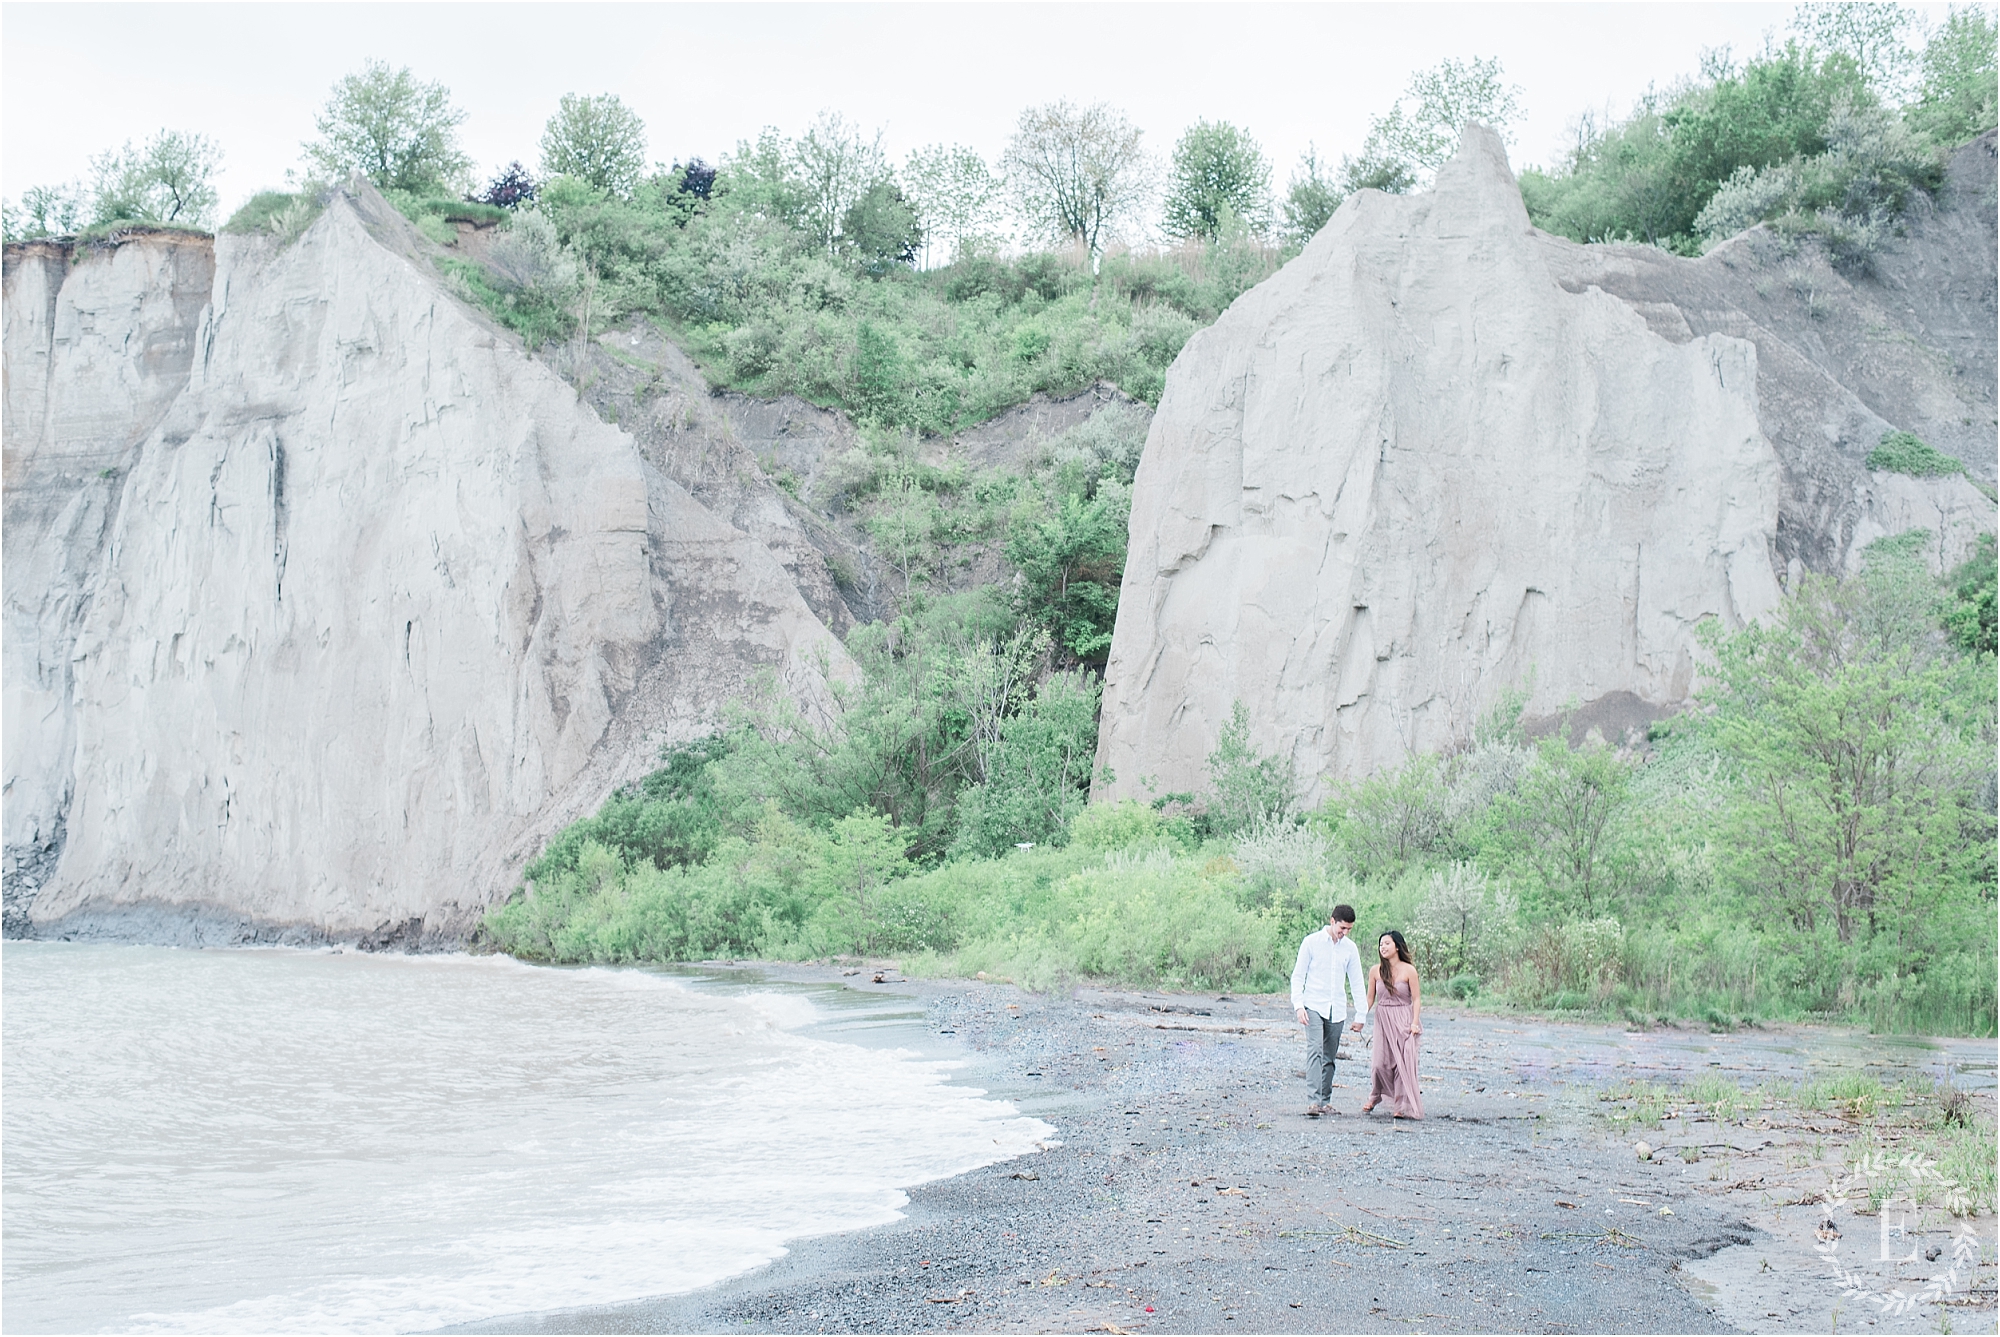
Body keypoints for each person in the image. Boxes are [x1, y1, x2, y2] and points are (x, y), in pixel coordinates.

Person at [1290, 904, 1368, 1116]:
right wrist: (1298, 1005)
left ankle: (1325, 1101)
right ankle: (1314, 1102)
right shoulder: (1311, 942)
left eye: (1349, 929)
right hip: (1313, 1004)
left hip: (1337, 1008)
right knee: (1315, 1050)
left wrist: (1361, 1014)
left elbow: (1357, 982)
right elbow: (1298, 975)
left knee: (1329, 1056)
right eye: (1342, 928)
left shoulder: (1350, 948)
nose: (1345, 933)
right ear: (1332, 921)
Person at [1362, 929, 1423, 1119]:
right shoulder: (1375, 970)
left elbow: (1417, 999)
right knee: (1379, 1063)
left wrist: (1414, 1023)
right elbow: (1370, 998)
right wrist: (1360, 1017)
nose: (1383, 947)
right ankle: (1376, 1094)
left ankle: (1400, 1105)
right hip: (1383, 1019)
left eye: (1387, 943)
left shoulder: (1409, 970)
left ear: (1397, 946)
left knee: (1401, 1064)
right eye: (1381, 944)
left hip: (1404, 1018)